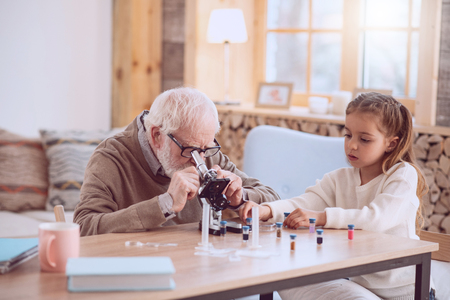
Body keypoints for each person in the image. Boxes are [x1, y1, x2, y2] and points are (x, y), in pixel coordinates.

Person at [240, 92, 433, 300]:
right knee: (281, 277)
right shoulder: (339, 179)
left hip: (408, 292)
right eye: (348, 135)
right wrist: (266, 210)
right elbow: (303, 203)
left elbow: (376, 219)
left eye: (364, 139)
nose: (352, 145)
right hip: (362, 287)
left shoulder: (402, 175)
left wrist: (322, 217)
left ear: (391, 144)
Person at [73, 87, 280, 236]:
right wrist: (165, 203)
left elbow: (273, 197)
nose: (199, 160)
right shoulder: (111, 157)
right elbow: (84, 227)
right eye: (189, 149)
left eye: (205, 149)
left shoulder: (205, 152)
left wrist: (240, 197)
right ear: (156, 135)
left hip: (198, 268)